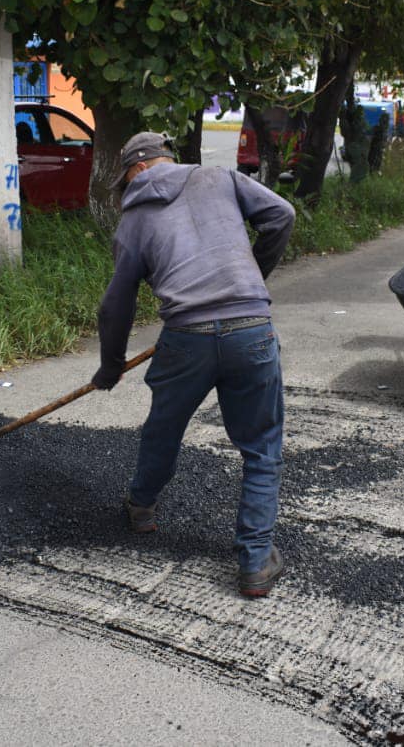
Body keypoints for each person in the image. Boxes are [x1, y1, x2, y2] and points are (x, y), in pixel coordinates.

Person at [92, 131, 296, 597]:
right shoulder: (219, 178)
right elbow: (281, 214)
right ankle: (256, 561)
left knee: (163, 428)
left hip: (187, 338)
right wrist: (250, 277)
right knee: (262, 445)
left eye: (125, 180)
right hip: (251, 329)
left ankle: (141, 508)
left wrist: (111, 365)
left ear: (139, 168)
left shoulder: (133, 221)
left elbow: (115, 305)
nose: (127, 191)